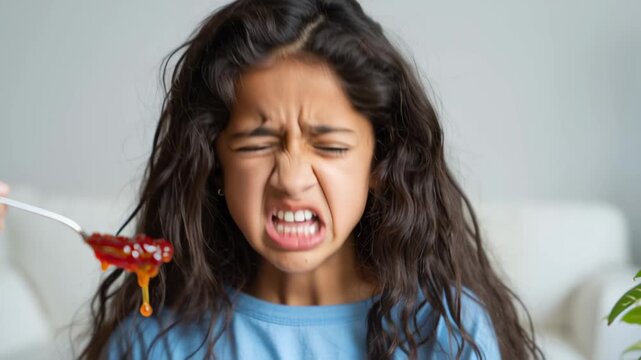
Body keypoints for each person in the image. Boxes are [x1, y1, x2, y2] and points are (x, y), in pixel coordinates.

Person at [72, 0, 543, 359]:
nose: (292, 179)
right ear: (214, 164)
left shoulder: (443, 331)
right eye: (257, 144)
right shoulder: (160, 340)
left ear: (380, 166)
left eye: (331, 146)